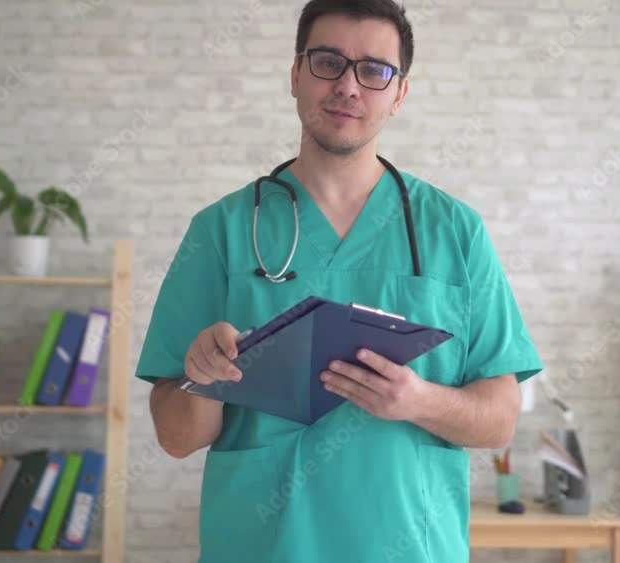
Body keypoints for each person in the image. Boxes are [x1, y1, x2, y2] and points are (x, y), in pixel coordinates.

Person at [135, 1, 543, 561]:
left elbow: (499, 421)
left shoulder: (455, 231)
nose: (348, 86)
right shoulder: (222, 231)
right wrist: (204, 380)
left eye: (374, 70)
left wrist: (417, 400)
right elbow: (176, 437)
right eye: (328, 62)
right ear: (295, 75)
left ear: (399, 94)